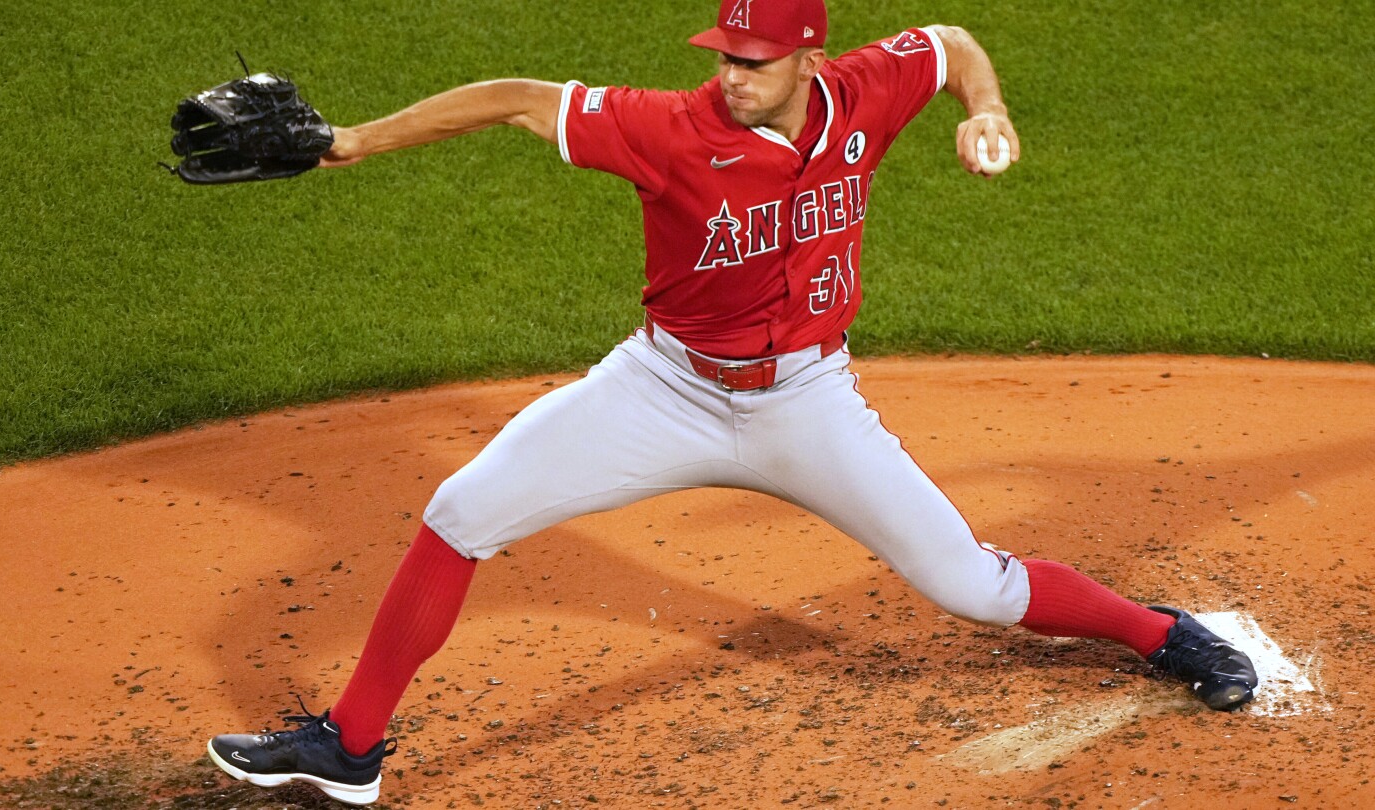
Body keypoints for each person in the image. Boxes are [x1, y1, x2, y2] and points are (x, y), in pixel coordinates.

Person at [206, 0, 1258, 804]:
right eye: (723, 54)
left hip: (806, 401)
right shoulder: (667, 128)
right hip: (662, 389)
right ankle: (348, 750)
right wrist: (349, 141)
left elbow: (949, 41)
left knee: (972, 587)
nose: (731, 76)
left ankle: (1165, 636)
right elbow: (519, 97)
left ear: (808, 57)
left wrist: (986, 107)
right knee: (459, 513)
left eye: (753, 62)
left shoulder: (867, 91)